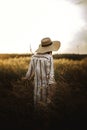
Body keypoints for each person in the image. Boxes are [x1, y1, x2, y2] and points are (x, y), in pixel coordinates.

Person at [22, 37, 61, 106]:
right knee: (45, 107)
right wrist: (52, 90)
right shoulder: (49, 57)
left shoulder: (33, 57)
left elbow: (29, 73)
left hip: (36, 88)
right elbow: (51, 75)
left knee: (37, 105)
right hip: (46, 88)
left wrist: (25, 79)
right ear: (50, 48)